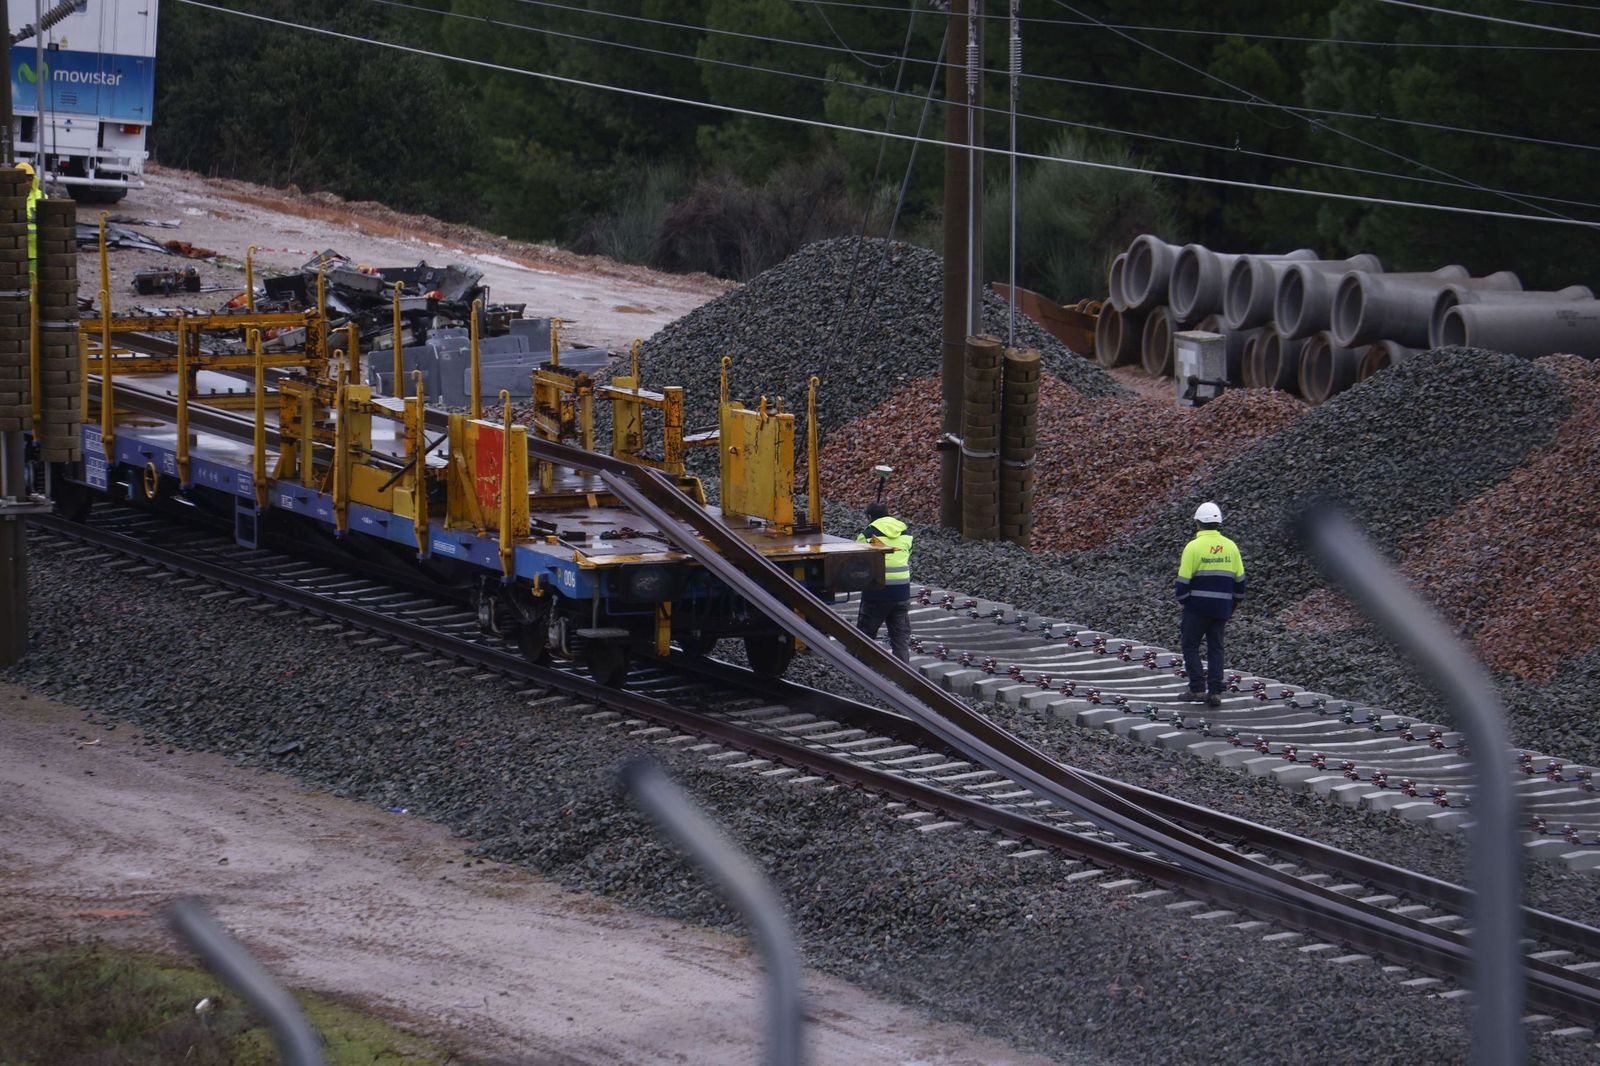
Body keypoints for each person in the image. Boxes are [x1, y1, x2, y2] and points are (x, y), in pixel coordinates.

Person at [1174, 501, 1246, 707]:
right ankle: (1215, 692)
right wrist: (1234, 604)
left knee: (1190, 645)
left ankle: (1197, 688)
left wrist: (1184, 601)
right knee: (1216, 648)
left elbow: (1183, 581)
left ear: (1198, 523)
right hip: (1222, 607)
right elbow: (1240, 581)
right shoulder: (1231, 547)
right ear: (1219, 523)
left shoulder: (1193, 547)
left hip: (1197, 608)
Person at [855, 501, 913, 662]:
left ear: (869, 517)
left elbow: (858, 562)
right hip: (902, 592)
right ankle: (904, 676)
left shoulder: (867, 535)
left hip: (877, 591)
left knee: (865, 636)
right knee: (900, 637)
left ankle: (861, 672)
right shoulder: (905, 532)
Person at [18, 161, 40, 274]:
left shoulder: (41, 197)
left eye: (29, 179)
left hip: (36, 252)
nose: (27, 183)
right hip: (15, 251)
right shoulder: (6, 198)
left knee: (33, 285)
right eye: (23, 179)